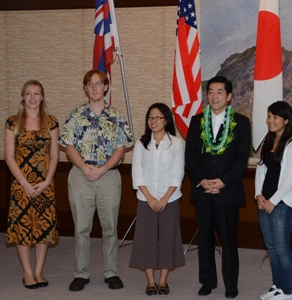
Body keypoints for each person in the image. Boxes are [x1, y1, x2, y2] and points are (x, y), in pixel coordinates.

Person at [59, 70, 134, 291]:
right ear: (85, 88)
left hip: (109, 177)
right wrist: (85, 168)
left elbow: (121, 149)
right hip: (80, 176)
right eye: (90, 84)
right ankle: (81, 273)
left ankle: (111, 272)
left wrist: (101, 170)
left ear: (105, 87)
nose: (94, 88)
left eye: (98, 84)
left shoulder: (117, 116)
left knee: (109, 226)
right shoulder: (75, 115)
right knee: (81, 228)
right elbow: (68, 146)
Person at [185, 76, 251, 299]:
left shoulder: (241, 123)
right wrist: (202, 180)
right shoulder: (196, 122)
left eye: (219, 92)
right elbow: (191, 155)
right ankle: (207, 281)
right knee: (204, 239)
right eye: (211, 92)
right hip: (202, 191)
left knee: (228, 239)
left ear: (229, 96)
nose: (214, 96)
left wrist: (223, 181)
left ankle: (231, 284)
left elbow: (242, 159)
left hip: (228, 191)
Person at [5, 80, 59, 289]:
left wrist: (46, 182)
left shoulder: (51, 122)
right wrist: (25, 183)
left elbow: (54, 155)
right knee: (23, 228)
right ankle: (28, 273)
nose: (33, 97)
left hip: (45, 184)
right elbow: (9, 157)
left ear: (42, 97)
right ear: (23, 97)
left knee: (43, 228)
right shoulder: (12, 122)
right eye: (29, 93)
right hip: (21, 185)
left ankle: (38, 272)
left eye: (37, 93)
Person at [129, 103, 185, 296]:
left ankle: (163, 281)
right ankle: (151, 281)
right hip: (146, 199)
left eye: (158, 117)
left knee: (168, 239)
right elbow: (137, 172)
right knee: (147, 239)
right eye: (150, 117)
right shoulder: (141, 143)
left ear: (166, 120)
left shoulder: (176, 143)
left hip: (169, 199)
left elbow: (178, 174)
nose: (154, 121)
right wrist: (150, 197)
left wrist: (164, 198)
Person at [255, 101, 292, 300]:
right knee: (272, 247)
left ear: (286, 120)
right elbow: (260, 169)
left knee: (282, 248)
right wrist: (259, 195)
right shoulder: (268, 141)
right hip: (264, 201)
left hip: (281, 204)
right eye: (269, 116)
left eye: (275, 117)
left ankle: (287, 291)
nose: (270, 120)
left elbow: (291, 178)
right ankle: (277, 286)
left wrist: (272, 201)